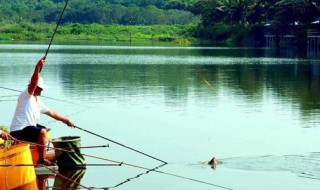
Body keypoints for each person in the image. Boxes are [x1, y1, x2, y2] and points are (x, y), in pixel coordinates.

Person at [10, 58, 74, 165]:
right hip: (18, 131)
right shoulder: (26, 95)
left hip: (27, 128)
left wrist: (66, 120)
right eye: (40, 88)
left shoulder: (37, 100)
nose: (42, 90)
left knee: (44, 129)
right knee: (42, 132)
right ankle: (41, 160)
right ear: (35, 87)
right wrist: (37, 67)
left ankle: (39, 153)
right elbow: (34, 82)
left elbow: (52, 113)